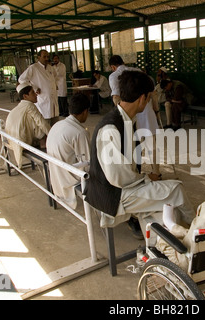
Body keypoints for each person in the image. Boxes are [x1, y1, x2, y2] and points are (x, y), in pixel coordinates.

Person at [84, 70, 195, 238]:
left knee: (167, 207)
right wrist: (147, 179)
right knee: (176, 189)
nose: (149, 101)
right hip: (113, 194)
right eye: (149, 97)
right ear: (143, 98)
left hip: (123, 187)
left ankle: (165, 243)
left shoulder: (127, 119)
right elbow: (118, 178)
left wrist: (145, 179)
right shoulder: (111, 128)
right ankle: (198, 230)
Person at [108, 55, 161, 177]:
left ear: (112, 67)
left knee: (132, 143)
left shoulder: (114, 76)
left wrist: (118, 115)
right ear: (123, 62)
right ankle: (156, 172)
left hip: (130, 113)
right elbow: (153, 94)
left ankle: (134, 172)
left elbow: (116, 97)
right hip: (146, 109)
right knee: (150, 142)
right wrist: (156, 111)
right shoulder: (138, 71)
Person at [46, 93, 90, 209]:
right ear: (85, 111)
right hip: (68, 176)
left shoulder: (58, 125)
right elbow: (87, 164)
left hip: (55, 173)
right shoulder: (79, 132)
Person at [5, 82, 51, 168]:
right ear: (25, 96)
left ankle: (41, 140)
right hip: (22, 141)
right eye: (33, 93)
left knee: (32, 119)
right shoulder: (29, 105)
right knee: (39, 121)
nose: (36, 95)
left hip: (12, 139)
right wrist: (52, 134)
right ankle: (42, 142)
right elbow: (41, 122)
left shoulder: (20, 107)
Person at [18, 50, 59, 125]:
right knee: (45, 125)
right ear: (38, 57)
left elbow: (55, 77)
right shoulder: (34, 68)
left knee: (55, 125)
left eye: (47, 57)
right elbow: (22, 79)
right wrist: (34, 88)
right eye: (44, 57)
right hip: (43, 101)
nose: (46, 58)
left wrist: (54, 85)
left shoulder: (50, 68)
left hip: (53, 101)